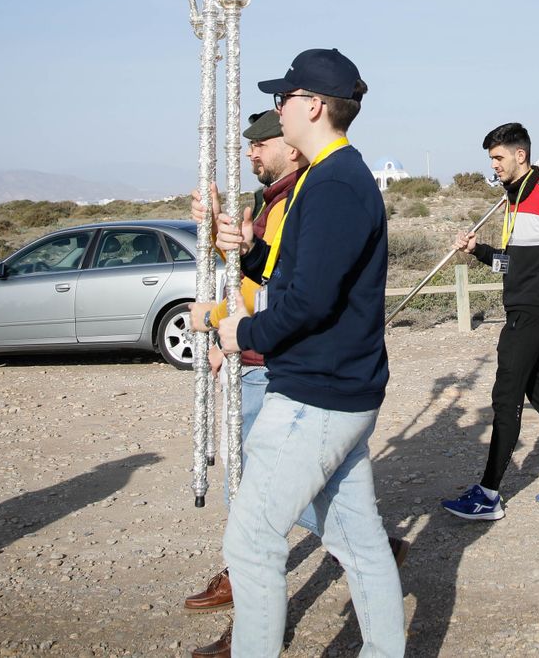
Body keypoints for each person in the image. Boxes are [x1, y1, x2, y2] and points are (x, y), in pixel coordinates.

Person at [202, 49, 404, 658]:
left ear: (313, 106)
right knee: (360, 542)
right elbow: (302, 277)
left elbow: (309, 302)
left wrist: (244, 334)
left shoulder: (335, 183)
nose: (277, 110)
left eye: (283, 98)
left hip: (316, 394)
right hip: (338, 390)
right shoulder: (328, 177)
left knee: (251, 542)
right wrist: (248, 253)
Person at [441, 122, 539, 521]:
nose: (493, 165)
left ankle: (488, 495)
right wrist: (478, 251)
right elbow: (512, 265)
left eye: (498, 158)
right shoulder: (514, 200)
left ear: (520, 155)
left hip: (532, 313)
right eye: (491, 159)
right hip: (520, 308)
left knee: (505, 397)